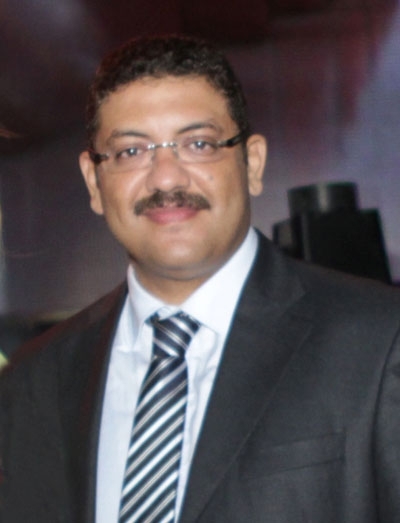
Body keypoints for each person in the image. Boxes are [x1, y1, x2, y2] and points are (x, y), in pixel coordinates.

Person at [1, 35, 400, 523]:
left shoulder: (379, 343)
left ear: (252, 164)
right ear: (94, 182)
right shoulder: (33, 381)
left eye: (199, 144)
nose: (166, 178)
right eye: (131, 151)